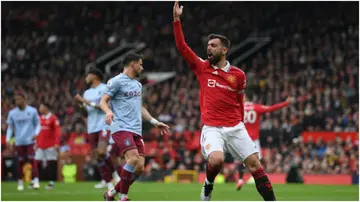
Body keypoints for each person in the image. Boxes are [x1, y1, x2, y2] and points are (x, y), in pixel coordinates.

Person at [173, 1, 276, 201]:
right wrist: (177, 20)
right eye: (207, 46)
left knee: (255, 165)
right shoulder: (203, 68)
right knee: (217, 159)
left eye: (213, 46)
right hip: (212, 127)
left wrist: (238, 121)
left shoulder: (238, 75)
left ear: (224, 50)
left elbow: (240, 100)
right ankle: (208, 184)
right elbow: (182, 47)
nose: (208, 49)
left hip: (235, 126)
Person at [100, 52, 170, 201]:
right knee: (132, 159)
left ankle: (111, 194)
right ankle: (123, 197)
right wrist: (108, 112)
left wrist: (154, 122)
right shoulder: (116, 81)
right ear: (132, 64)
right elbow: (103, 101)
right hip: (120, 127)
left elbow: (140, 107)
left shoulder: (138, 85)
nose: (142, 67)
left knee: (139, 167)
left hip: (136, 129)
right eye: (140, 64)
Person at [236, 96, 296, 190]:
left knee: (241, 159)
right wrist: (286, 103)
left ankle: (240, 179)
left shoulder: (239, 108)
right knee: (257, 160)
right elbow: (271, 108)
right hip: (254, 139)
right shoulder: (256, 107)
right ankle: (257, 179)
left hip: (243, 137)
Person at [75, 68, 115, 190]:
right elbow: (85, 114)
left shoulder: (105, 88)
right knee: (98, 156)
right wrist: (81, 105)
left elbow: (106, 106)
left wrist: (86, 102)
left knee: (102, 152)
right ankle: (109, 183)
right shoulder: (86, 93)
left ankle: (114, 175)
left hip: (104, 125)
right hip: (91, 127)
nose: (86, 77)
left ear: (95, 76)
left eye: (88, 75)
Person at [6, 93, 41, 191]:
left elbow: (38, 124)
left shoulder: (32, 111)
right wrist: (8, 140)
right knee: (20, 162)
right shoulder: (12, 113)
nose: (17, 102)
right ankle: (20, 182)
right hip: (19, 141)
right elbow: (10, 128)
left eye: (19, 99)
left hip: (30, 140)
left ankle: (36, 181)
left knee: (32, 160)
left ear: (24, 99)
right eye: (16, 100)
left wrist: (36, 133)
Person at [35, 103, 62, 190]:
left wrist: (57, 143)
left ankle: (51, 182)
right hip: (40, 145)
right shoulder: (39, 118)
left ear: (46, 108)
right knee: (36, 162)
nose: (39, 108)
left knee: (51, 164)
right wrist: (35, 142)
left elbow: (57, 132)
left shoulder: (53, 118)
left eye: (41, 107)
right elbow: (36, 132)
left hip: (50, 145)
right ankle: (36, 181)